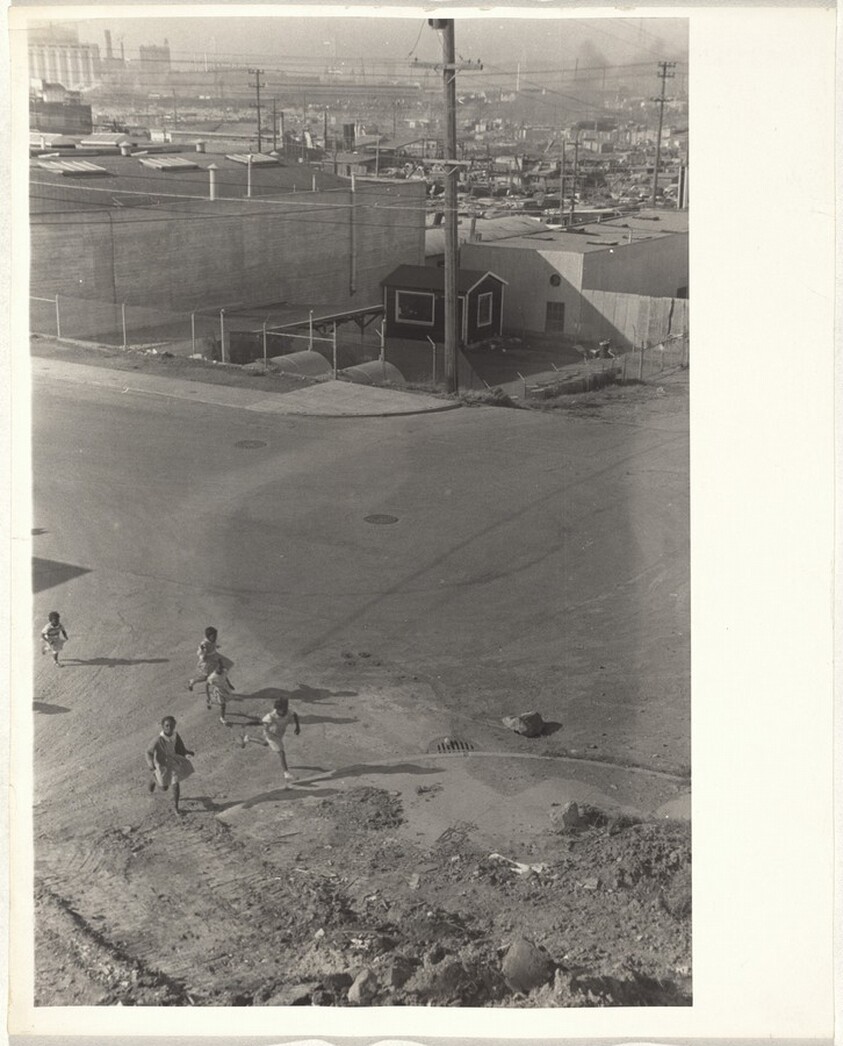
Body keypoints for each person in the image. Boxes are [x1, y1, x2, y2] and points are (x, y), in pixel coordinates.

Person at [240, 696, 300, 785]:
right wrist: (247, 723)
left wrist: (298, 727)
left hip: (279, 734)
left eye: (285, 709)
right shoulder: (270, 716)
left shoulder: (288, 712)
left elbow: (294, 715)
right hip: (271, 734)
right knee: (281, 752)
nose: (284, 711)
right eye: (282, 710)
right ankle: (286, 774)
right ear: (277, 708)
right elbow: (259, 722)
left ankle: (248, 738)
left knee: (265, 743)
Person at [146, 715, 195, 815]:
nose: (169, 728)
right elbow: (148, 752)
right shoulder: (157, 740)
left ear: (175, 725)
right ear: (163, 727)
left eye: (172, 725)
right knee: (164, 788)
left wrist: (187, 752)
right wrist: (151, 765)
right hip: (162, 764)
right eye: (167, 726)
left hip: (173, 762)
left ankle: (176, 808)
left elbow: (180, 747)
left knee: (175, 783)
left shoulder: (175, 735)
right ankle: (154, 779)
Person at [188, 626, 234, 692]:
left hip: (215, 657)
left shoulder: (212, 641)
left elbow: (213, 645)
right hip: (208, 661)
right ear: (208, 636)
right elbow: (200, 653)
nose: (215, 637)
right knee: (206, 677)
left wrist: (216, 646)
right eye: (213, 636)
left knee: (222, 670)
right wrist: (202, 655)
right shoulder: (204, 644)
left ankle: (228, 684)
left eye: (216, 636)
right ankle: (192, 682)